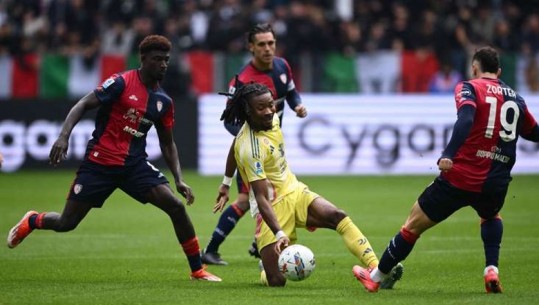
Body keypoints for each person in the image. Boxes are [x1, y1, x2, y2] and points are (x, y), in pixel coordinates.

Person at [6, 35, 221, 282]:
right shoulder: (121, 83)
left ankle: (197, 270)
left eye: (166, 60)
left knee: (175, 206)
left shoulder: (163, 101)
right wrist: (64, 136)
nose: (163, 64)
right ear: (143, 59)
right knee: (67, 223)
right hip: (100, 163)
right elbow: (83, 104)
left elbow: (167, 142)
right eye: (157, 59)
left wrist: (179, 179)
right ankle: (33, 220)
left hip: (134, 166)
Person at [353, 46, 539, 293]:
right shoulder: (516, 98)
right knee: (491, 216)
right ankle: (491, 269)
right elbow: (533, 133)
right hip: (496, 180)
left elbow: (466, 119)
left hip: (460, 178)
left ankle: (375, 277)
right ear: (500, 71)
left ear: (474, 67)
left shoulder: (469, 87)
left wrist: (448, 153)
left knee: (412, 225)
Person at [218, 82, 403, 287]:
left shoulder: (272, 119)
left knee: (337, 216)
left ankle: (377, 271)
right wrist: (279, 232)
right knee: (276, 281)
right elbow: (261, 196)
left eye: (271, 104)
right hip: (272, 206)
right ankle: (267, 267)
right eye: (261, 108)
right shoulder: (250, 148)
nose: (270, 111)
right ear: (247, 111)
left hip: (294, 190)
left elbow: (233, 144)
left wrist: (225, 183)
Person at [201, 23, 308, 266]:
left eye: (271, 43)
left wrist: (297, 105)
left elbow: (291, 92)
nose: (268, 49)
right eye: (262, 44)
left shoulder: (282, 66)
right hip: (256, 152)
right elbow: (228, 121)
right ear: (251, 47)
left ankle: (255, 244)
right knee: (251, 199)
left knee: (272, 196)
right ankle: (242, 247)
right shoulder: (243, 80)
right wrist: (251, 138)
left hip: (274, 148)